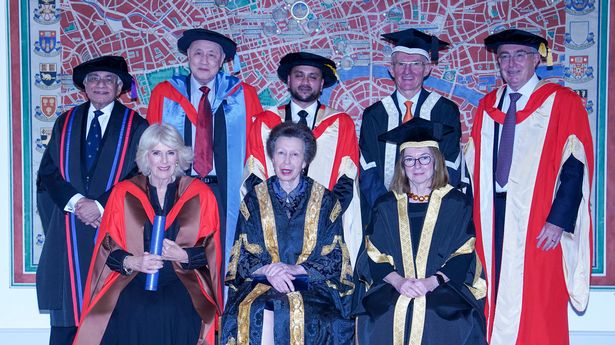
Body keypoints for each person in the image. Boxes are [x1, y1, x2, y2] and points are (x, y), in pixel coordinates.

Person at [465, 29, 594, 345]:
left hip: (540, 219)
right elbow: (472, 168)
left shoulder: (562, 103)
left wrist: (558, 220)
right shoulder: (487, 107)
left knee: (538, 298)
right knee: (491, 292)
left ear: (538, 58)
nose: (511, 64)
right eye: (504, 56)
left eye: (520, 55)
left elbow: (575, 164)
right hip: (492, 217)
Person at [73, 123, 222, 345]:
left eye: (170, 153)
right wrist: (133, 261)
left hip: (183, 280)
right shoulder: (123, 193)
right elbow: (107, 247)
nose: (164, 161)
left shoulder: (200, 195)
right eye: (156, 153)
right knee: (135, 311)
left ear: (179, 156)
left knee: (176, 311)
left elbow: (211, 251)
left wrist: (182, 256)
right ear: (146, 157)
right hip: (132, 279)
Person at [36, 55, 148, 345]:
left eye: (109, 79)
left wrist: (99, 205)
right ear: (84, 86)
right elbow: (48, 172)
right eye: (94, 79)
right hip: (69, 235)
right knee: (67, 322)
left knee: (112, 321)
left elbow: (140, 176)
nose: (101, 84)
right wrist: (76, 203)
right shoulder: (66, 121)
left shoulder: (137, 126)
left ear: (120, 86)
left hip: (113, 232)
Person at [354, 117, 486, 345]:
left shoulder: (456, 203)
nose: (417, 166)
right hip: (393, 286)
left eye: (424, 158)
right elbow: (373, 253)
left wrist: (430, 283)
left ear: (436, 162)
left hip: (442, 286)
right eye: (410, 160)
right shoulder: (386, 204)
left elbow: (463, 254)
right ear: (402, 166)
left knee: (446, 316)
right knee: (379, 314)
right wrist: (399, 282)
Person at [221, 122, 355, 344]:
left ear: (305, 161)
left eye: (295, 154)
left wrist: (295, 269)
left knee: (308, 316)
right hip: (263, 281)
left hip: (311, 284)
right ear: (272, 157)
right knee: (254, 310)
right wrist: (271, 272)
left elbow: (334, 258)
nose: (286, 161)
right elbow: (242, 254)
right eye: (281, 153)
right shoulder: (254, 199)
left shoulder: (326, 201)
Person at [147, 28, 263, 271]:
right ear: (187, 56)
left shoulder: (243, 94)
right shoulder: (165, 94)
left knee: (222, 252)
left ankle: (222, 305)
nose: (204, 60)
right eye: (198, 53)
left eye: (212, 55)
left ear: (222, 61)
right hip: (178, 188)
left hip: (225, 191)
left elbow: (256, 149)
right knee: (177, 249)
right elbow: (150, 147)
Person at [242, 52, 362, 265]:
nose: (305, 82)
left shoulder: (341, 124)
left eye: (313, 77)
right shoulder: (264, 123)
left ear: (322, 83)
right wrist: (274, 217)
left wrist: (325, 216)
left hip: (323, 227)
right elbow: (253, 176)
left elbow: (347, 179)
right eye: (299, 75)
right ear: (288, 80)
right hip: (273, 228)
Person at [359, 28, 463, 220]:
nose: (408, 71)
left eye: (416, 63)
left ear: (427, 69)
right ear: (391, 69)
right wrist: (386, 207)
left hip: (434, 212)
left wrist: (432, 206)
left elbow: (451, 163)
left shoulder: (445, 111)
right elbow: (368, 168)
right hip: (384, 214)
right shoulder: (374, 115)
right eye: (401, 64)